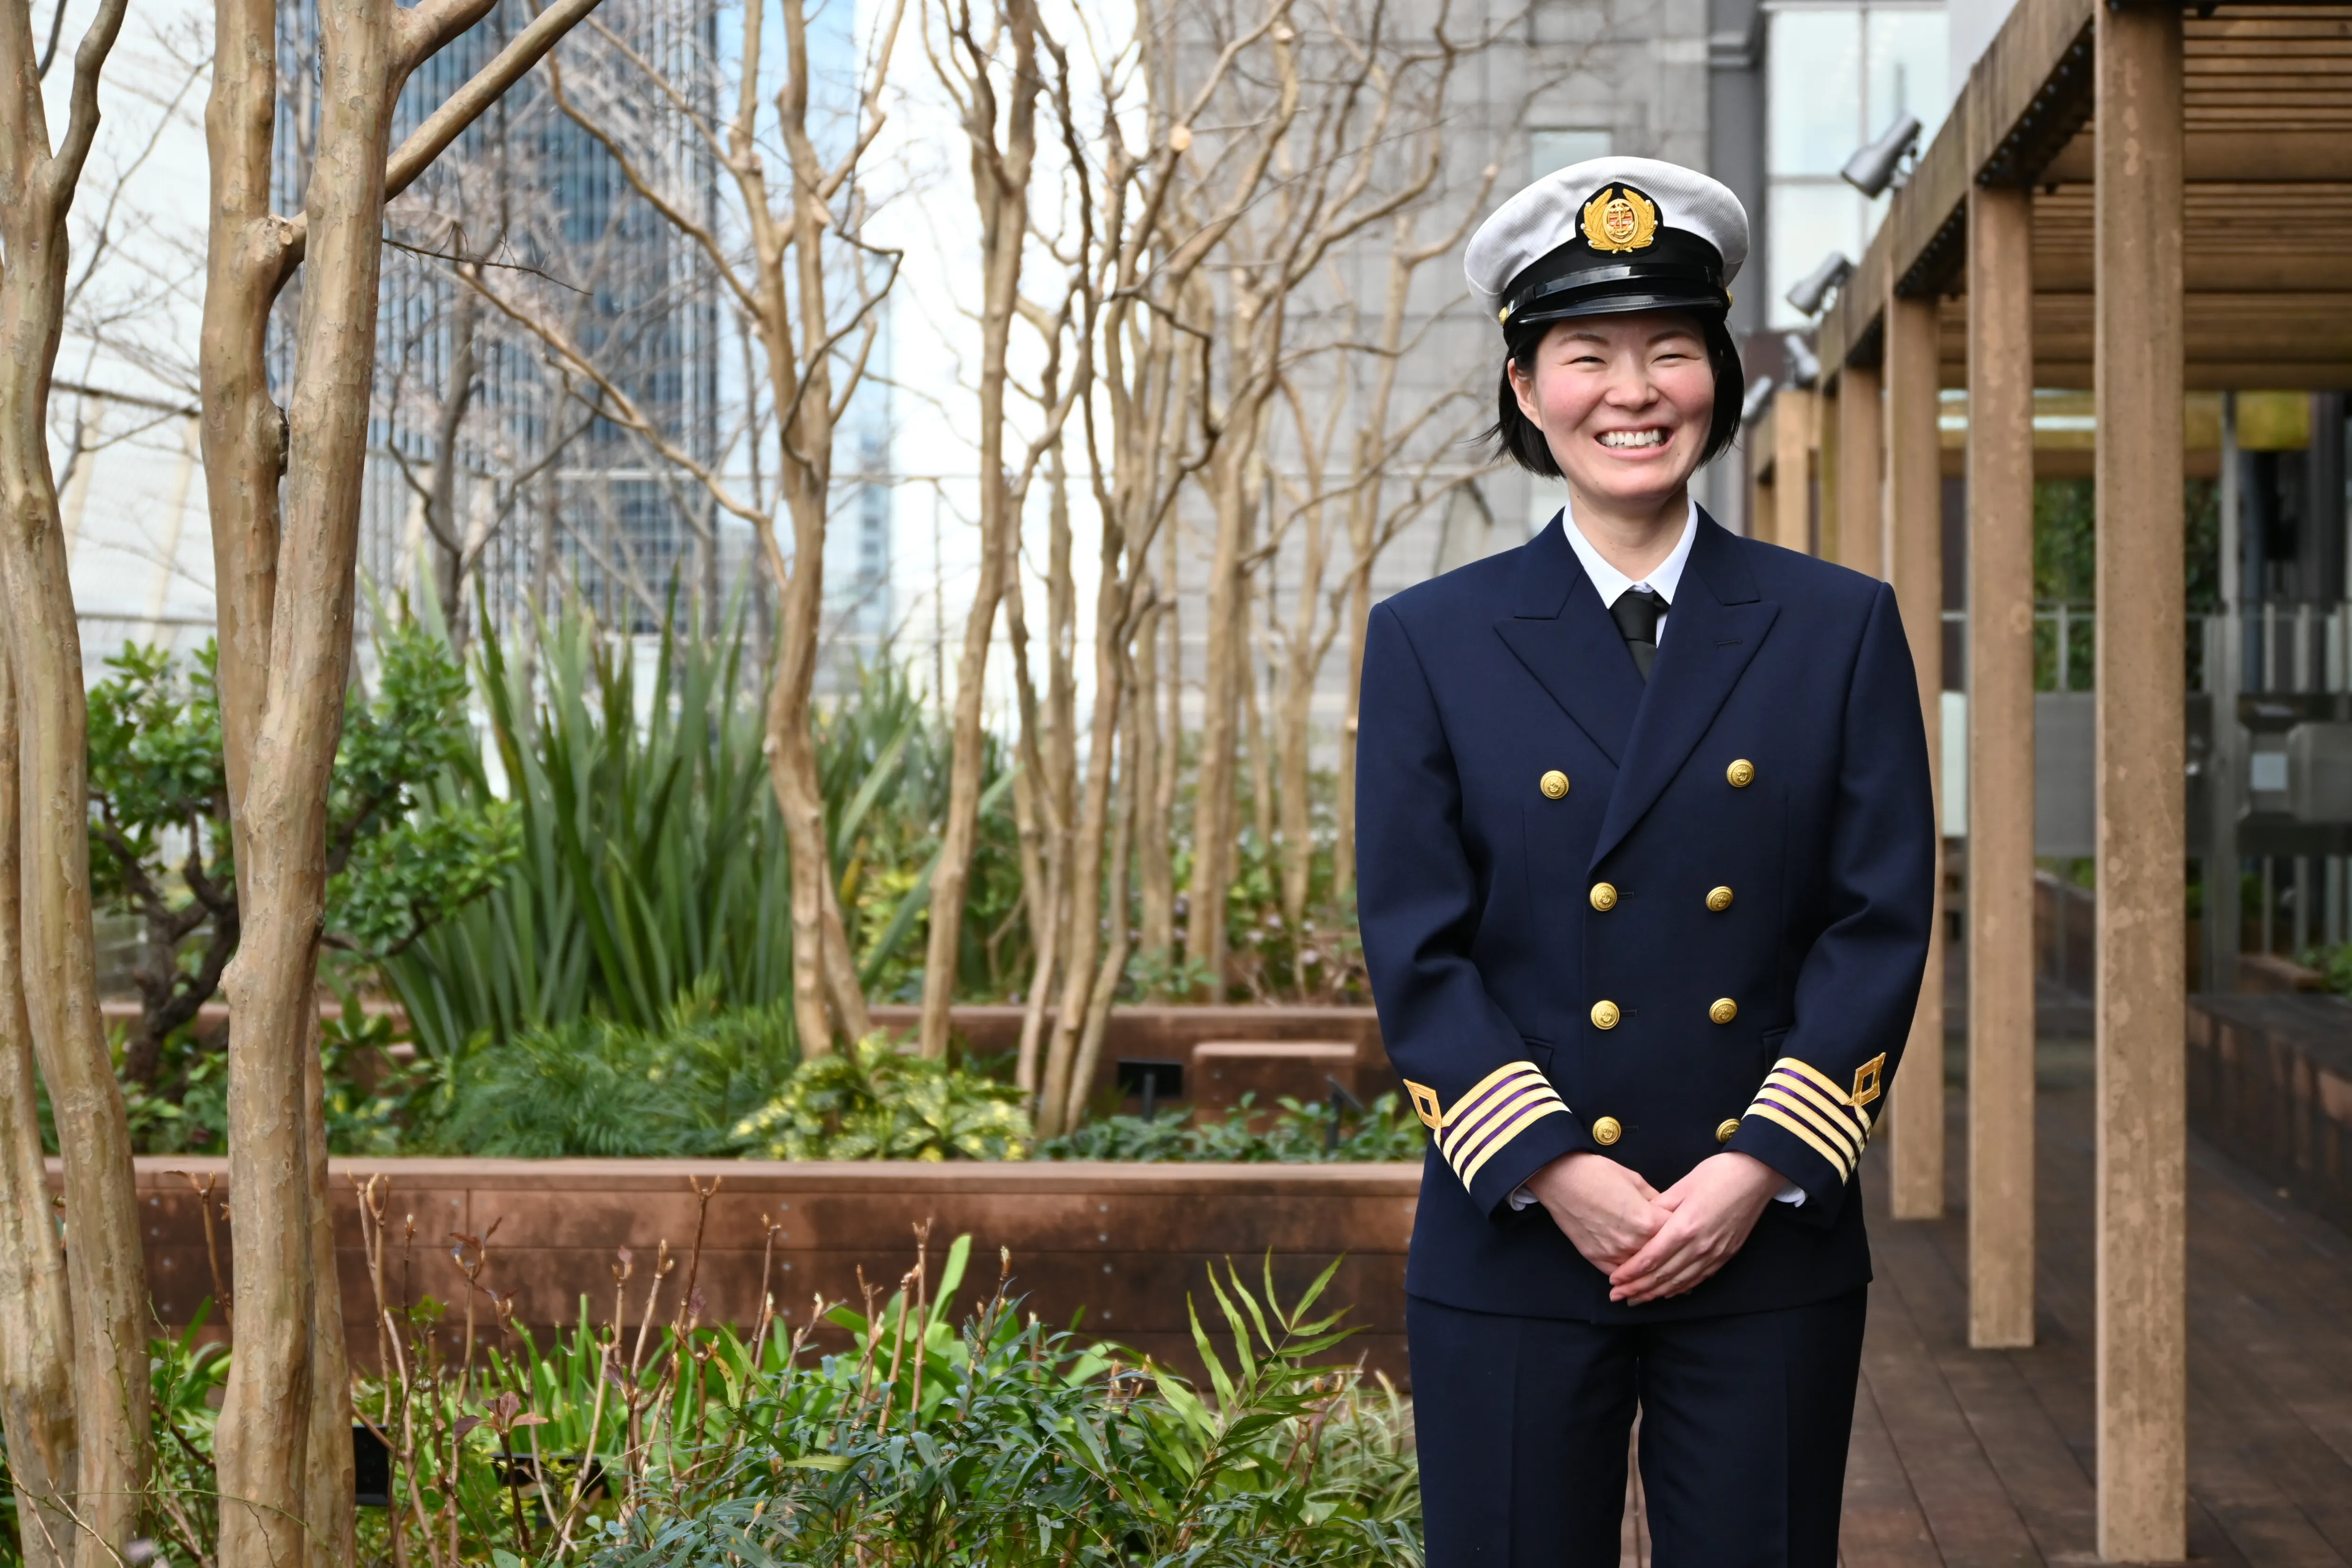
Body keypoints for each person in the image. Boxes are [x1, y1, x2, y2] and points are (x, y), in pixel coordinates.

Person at [1354, 156, 1937, 1567]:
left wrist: (1757, 1167)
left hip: (1766, 1237)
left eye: (1672, 349)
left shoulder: (1836, 625)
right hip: (1516, 1232)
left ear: (1721, 376)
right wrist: (1558, 1167)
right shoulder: (1431, 637)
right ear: (1523, 385)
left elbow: (1877, 924)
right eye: (1588, 355)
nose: (1634, 391)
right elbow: (1415, 946)